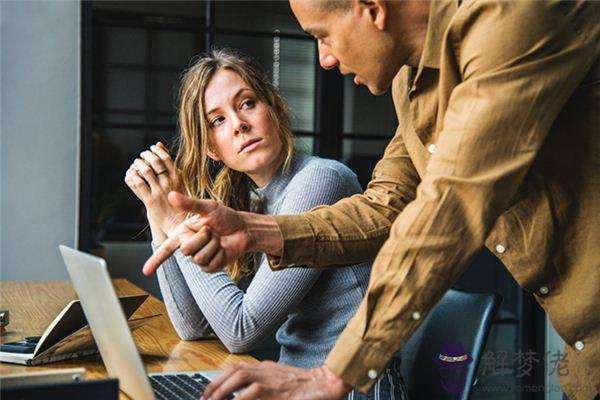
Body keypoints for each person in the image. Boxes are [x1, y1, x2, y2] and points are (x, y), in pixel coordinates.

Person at [145, 1, 600, 399]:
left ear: (372, 8)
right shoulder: (413, 81)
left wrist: (334, 374)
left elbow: (452, 204)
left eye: (322, 36)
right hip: (585, 356)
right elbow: (387, 205)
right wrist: (256, 230)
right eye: (217, 121)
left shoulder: (513, 21)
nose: (323, 58)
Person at [125, 48, 408, 400]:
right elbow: (193, 326)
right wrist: (158, 211)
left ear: (275, 108)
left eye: (246, 103)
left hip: (353, 391)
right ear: (212, 149)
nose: (239, 124)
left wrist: (178, 222)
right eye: (217, 121)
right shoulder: (257, 201)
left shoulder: (321, 180)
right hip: (295, 388)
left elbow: (240, 329)